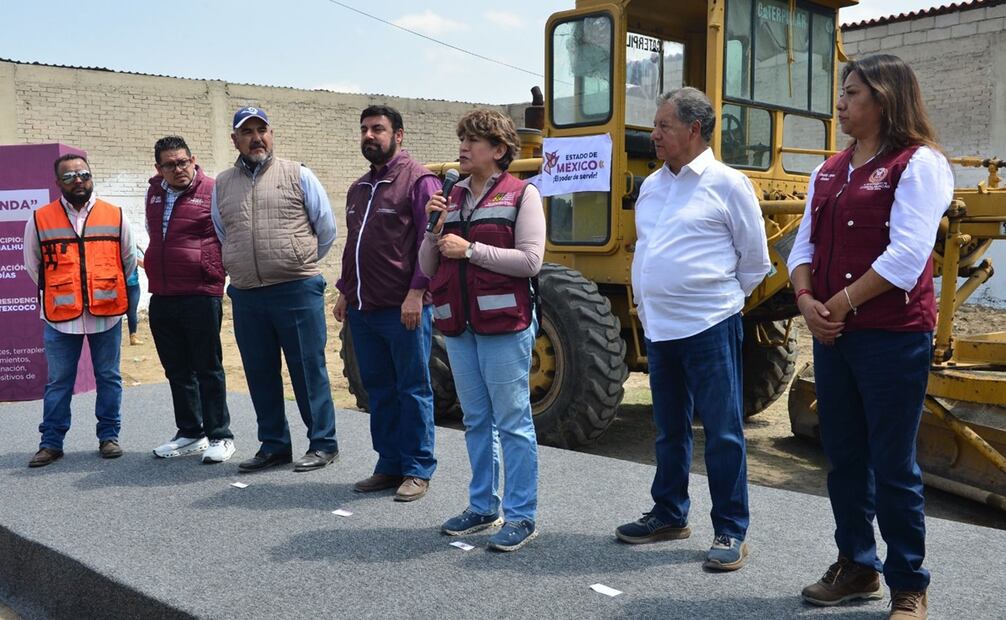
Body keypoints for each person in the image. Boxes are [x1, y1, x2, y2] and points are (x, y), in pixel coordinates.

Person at [788, 54, 952, 620]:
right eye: (843, 92)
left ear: (883, 99)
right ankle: (857, 565)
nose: (841, 102)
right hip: (834, 335)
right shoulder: (828, 170)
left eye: (852, 93)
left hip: (891, 337)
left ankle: (910, 582)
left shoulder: (919, 164)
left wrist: (833, 305)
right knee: (845, 457)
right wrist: (807, 302)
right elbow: (802, 247)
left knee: (892, 463)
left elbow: (909, 257)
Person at [615, 87, 770, 571]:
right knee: (669, 430)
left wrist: (718, 301)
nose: (653, 134)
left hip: (709, 325)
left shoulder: (728, 184)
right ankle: (669, 514)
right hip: (660, 329)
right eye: (655, 125)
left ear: (694, 130)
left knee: (722, 432)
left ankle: (731, 528)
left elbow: (755, 262)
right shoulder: (653, 185)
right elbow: (647, 250)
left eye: (663, 125)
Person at [420, 109, 544, 552]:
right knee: (475, 420)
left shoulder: (521, 195)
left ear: (499, 150)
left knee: (512, 422)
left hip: (503, 326)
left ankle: (522, 515)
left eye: (473, 140)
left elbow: (531, 262)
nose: (463, 147)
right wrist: (431, 229)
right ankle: (482, 506)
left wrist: (471, 250)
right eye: (462, 139)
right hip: (458, 325)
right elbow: (427, 266)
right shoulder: (448, 197)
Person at [211, 106, 339, 473]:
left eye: (261, 130)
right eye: (247, 132)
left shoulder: (298, 174)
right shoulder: (222, 183)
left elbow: (325, 229)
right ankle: (274, 445)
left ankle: (323, 443)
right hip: (248, 292)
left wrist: (297, 260)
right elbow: (224, 232)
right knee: (259, 370)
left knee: (307, 369)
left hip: (296, 289)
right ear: (234, 139)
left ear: (272, 134)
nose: (256, 138)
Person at [333, 105, 440, 501]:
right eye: (364, 129)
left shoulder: (419, 181)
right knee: (378, 388)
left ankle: (417, 468)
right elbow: (353, 246)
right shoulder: (359, 188)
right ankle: (388, 464)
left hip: (404, 309)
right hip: (364, 309)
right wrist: (346, 290)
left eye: (378, 129)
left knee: (412, 388)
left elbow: (429, 244)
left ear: (399, 135)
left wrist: (416, 292)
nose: (369, 135)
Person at [22, 154, 136, 467]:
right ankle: (51, 443)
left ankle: (109, 437)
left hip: (106, 312)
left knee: (109, 377)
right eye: (69, 177)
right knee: (59, 381)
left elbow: (127, 259)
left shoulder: (115, 214)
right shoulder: (40, 217)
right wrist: (64, 290)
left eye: (83, 174)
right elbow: (33, 266)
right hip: (60, 318)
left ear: (91, 176)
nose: (78, 180)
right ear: (58, 183)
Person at [146, 136, 235, 464]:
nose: (179, 169)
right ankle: (190, 432)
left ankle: (220, 435)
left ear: (193, 160)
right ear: (159, 168)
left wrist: (215, 271)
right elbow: (153, 233)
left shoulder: (213, 190)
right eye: (170, 164)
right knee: (177, 369)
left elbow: (228, 234)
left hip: (201, 293)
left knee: (208, 367)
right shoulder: (153, 192)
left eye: (184, 162)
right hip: (163, 294)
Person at [125, 246, 144, 345]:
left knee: (132, 312)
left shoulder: (135, 249)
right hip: (118, 285)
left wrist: (133, 257)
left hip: (133, 285)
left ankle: (133, 336)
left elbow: (144, 264)